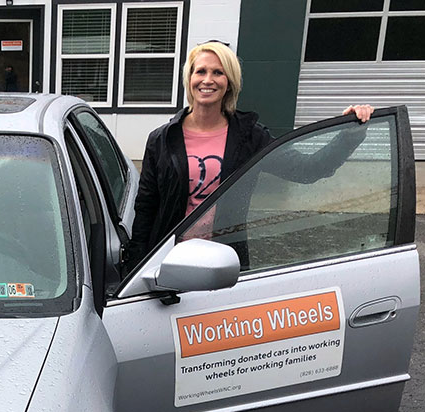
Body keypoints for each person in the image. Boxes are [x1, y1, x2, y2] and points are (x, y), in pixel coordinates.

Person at [127, 40, 373, 269]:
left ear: (230, 81)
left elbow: (306, 169)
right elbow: (146, 206)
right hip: (169, 261)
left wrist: (348, 134)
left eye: (218, 72)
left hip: (224, 260)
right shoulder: (162, 140)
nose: (208, 80)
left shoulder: (249, 137)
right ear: (189, 78)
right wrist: (137, 264)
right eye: (200, 71)